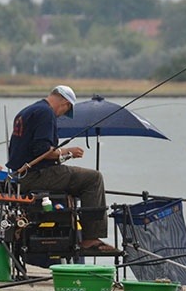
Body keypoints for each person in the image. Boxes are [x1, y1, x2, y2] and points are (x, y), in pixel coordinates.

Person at [8, 85, 114, 253]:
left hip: (20, 175)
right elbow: (42, 151)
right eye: (66, 110)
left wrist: (63, 155)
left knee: (78, 178)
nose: (63, 114)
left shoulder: (29, 110)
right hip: (36, 175)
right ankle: (90, 239)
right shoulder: (46, 113)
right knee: (93, 178)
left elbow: (34, 150)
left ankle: (74, 228)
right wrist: (67, 151)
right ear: (64, 102)